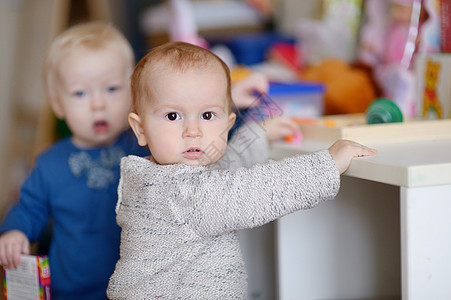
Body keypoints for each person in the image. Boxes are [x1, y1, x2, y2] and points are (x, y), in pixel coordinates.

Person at [106, 41, 377, 299]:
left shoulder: (166, 179)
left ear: (228, 122)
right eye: (173, 116)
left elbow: (224, 173)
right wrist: (326, 164)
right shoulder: (177, 194)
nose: (193, 131)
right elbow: (249, 191)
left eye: (208, 115)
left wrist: (258, 134)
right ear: (140, 129)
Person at [0, 22, 150, 299]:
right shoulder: (49, 164)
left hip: (136, 286)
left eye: (112, 89)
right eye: (80, 93)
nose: (98, 104)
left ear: (132, 91)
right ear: (58, 104)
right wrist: (14, 231)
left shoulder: (143, 147)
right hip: (69, 289)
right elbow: (28, 208)